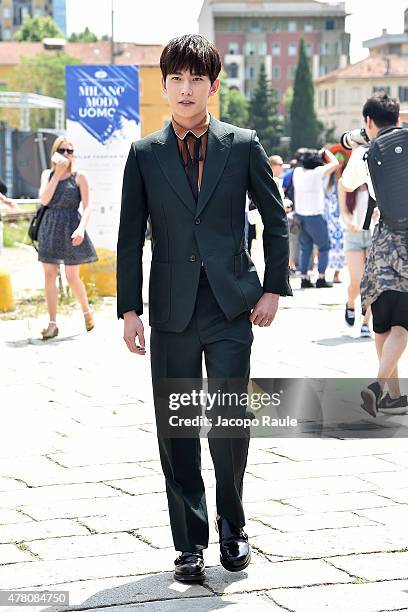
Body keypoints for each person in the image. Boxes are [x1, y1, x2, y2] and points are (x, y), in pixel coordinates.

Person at [117, 34, 291, 583]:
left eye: (197, 79)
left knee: (228, 424)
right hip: (170, 312)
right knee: (178, 428)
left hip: (231, 307)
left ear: (213, 86)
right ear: (164, 84)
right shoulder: (144, 154)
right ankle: (189, 543)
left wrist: (272, 288)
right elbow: (127, 238)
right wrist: (129, 309)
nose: (186, 89)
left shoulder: (241, 144)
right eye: (177, 79)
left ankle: (233, 528)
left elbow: (276, 217)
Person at [339, 92, 408, 416]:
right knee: (403, 321)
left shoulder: (365, 153)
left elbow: (349, 184)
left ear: (368, 121)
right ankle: (382, 387)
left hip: (383, 243)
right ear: (398, 117)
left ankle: (391, 394)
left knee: (383, 320)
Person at [38, 136, 98, 339]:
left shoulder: (80, 176)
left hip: (72, 226)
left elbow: (88, 206)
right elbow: (44, 200)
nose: (66, 154)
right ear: (55, 152)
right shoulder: (48, 174)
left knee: (72, 277)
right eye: (62, 150)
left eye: (70, 151)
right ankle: (52, 323)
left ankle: (87, 311)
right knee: (49, 274)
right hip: (50, 226)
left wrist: (81, 229)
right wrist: (57, 175)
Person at [293, 148, 339, 288]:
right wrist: (325, 153)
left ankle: (304, 278)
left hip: (299, 216)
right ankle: (321, 277)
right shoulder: (316, 173)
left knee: (305, 248)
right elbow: (336, 163)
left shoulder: (297, 172)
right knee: (324, 246)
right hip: (314, 216)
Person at [339, 183, 374, 338]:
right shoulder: (345, 182)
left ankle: (366, 322)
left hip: (374, 233)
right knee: (357, 281)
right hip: (353, 234)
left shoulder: (376, 177)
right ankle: (351, 303)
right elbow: (343, 211)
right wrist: (349, 223)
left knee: (371, 281)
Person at [323, 150, 346, 284]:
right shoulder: (328, 178)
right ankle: (325, 273)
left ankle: (336, 274)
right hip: (329, 216)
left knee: (341, 246)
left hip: (342, 215)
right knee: (328, 245)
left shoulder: (345, 177)